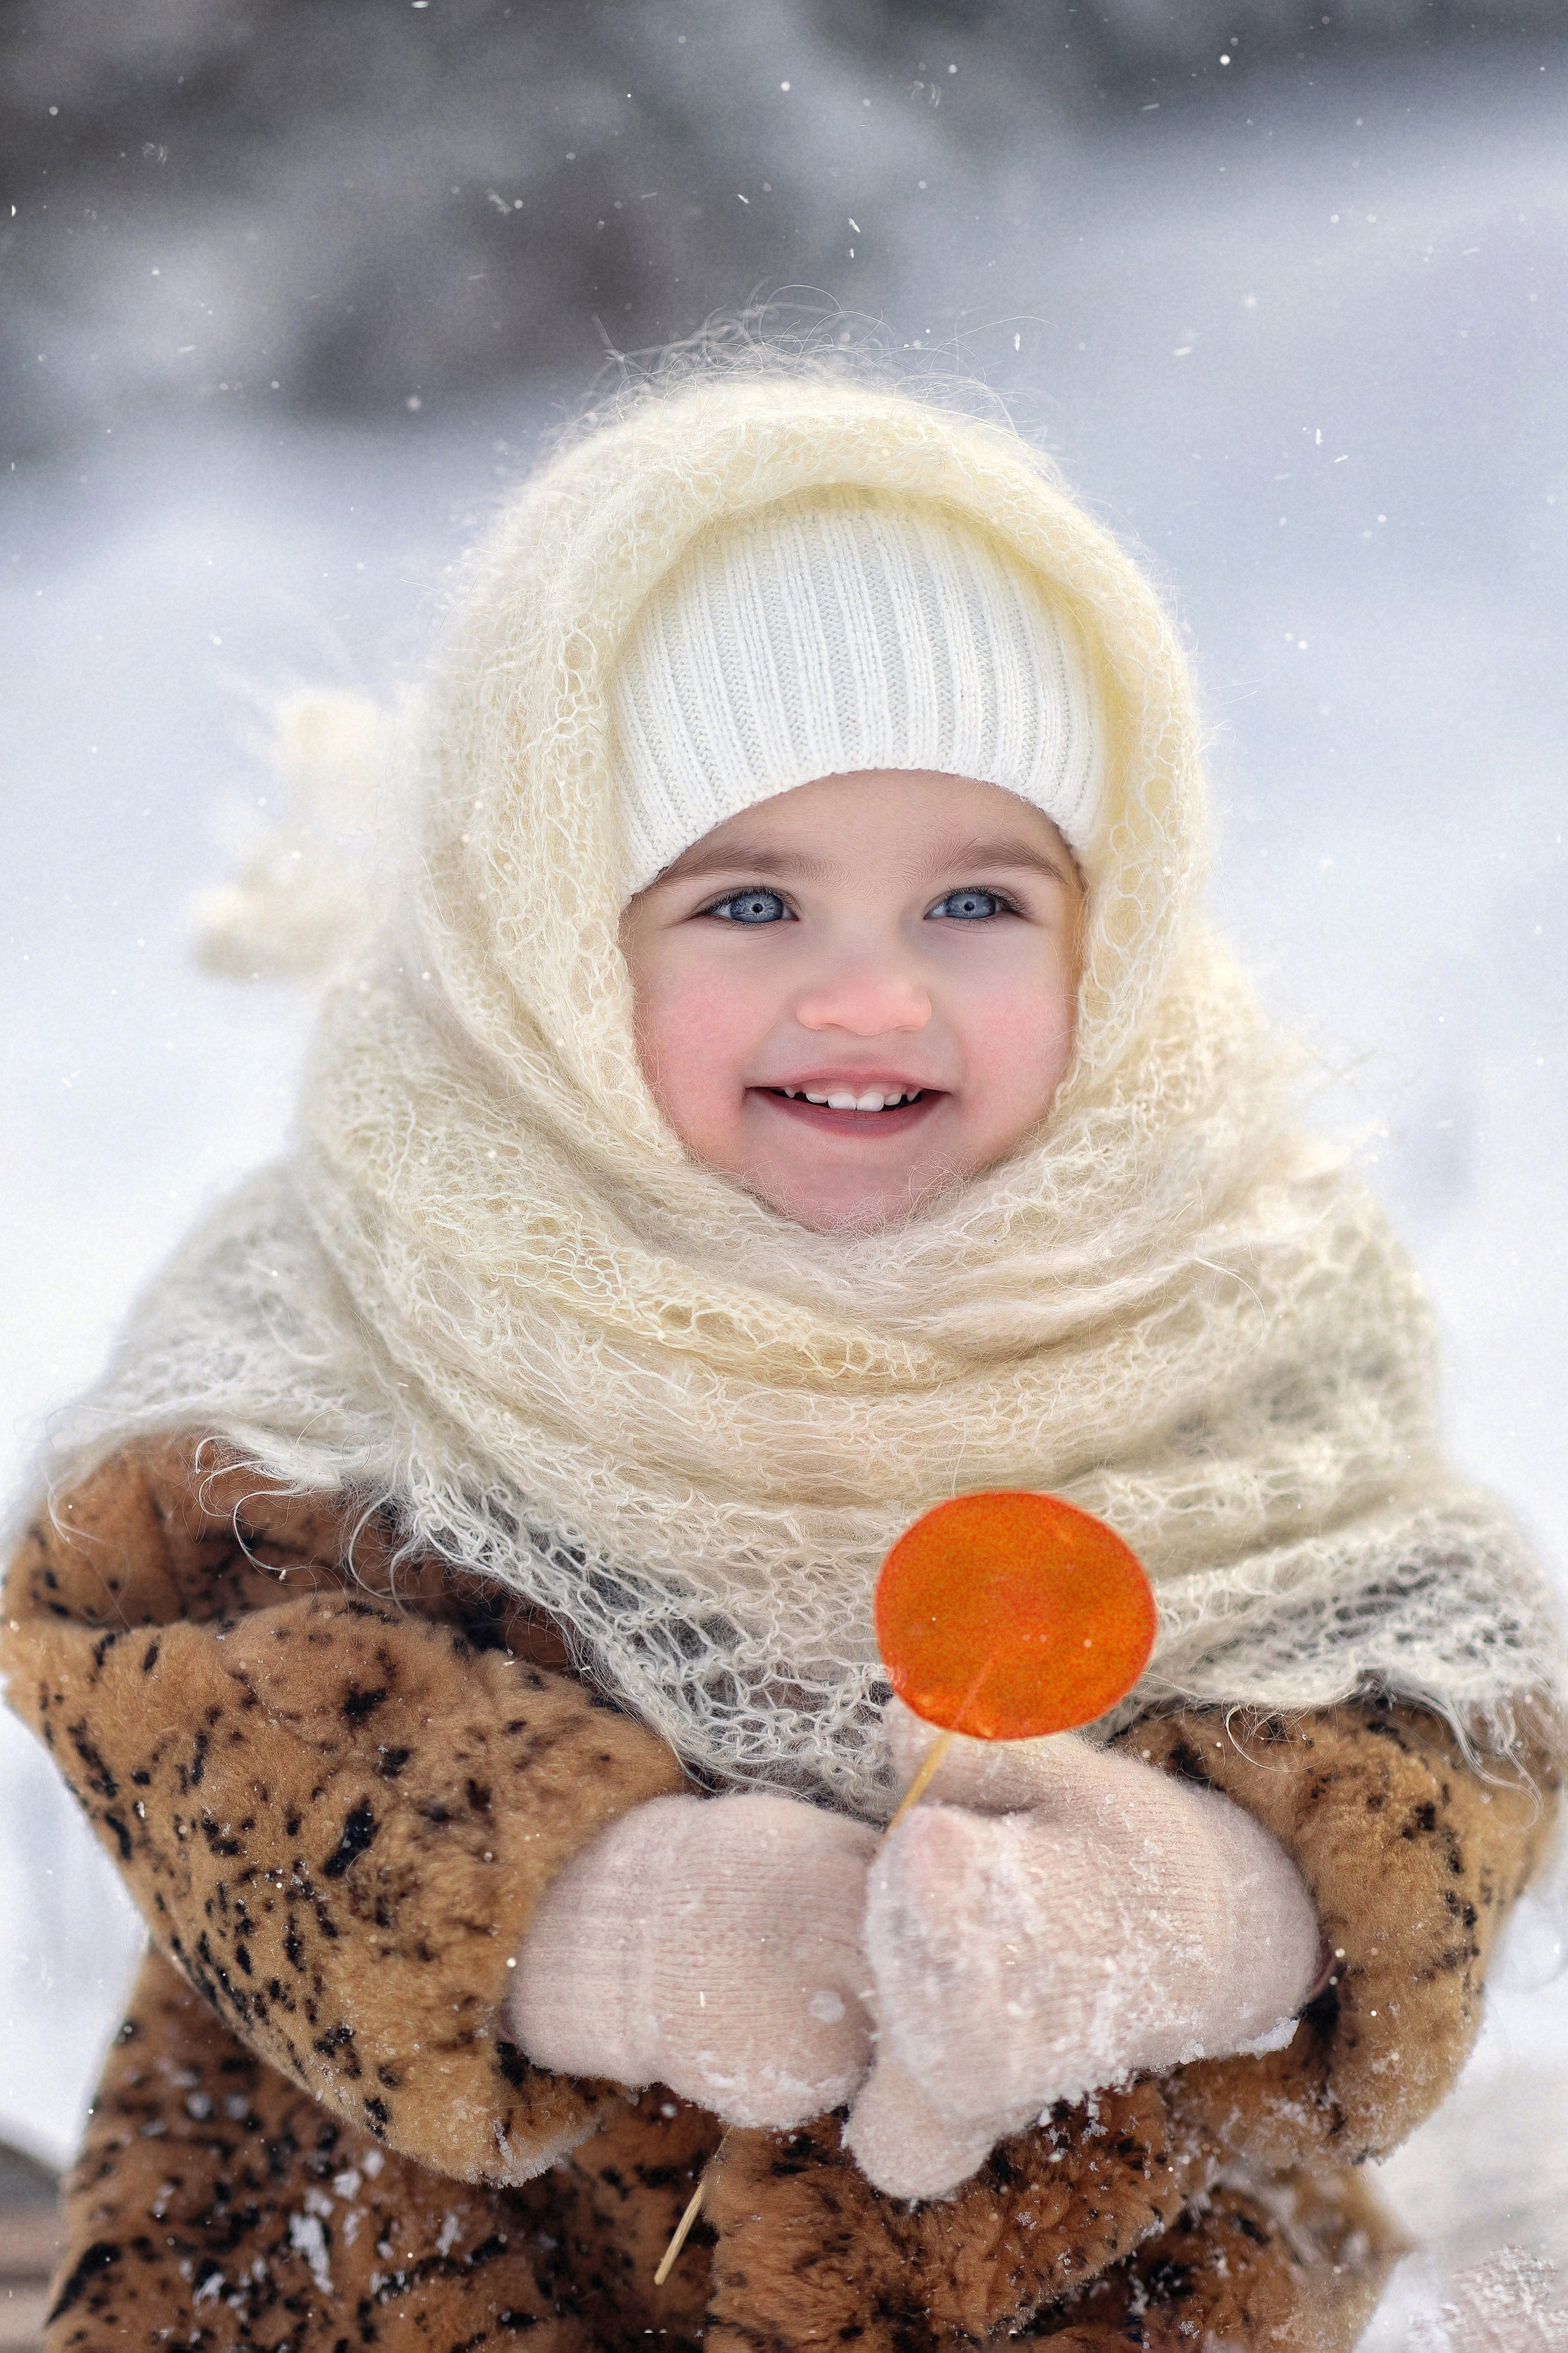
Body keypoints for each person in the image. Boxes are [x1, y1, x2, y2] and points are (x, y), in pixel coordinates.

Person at [8, 360, 1563, 2353]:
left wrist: (1184, 1912)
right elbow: (184, 1681)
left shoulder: (1229, 1282)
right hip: (416, 2251)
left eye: (976, 900)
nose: (871, 992)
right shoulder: (375, 1284)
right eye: (749, 900)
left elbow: (1439, 1718)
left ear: (1117, 927)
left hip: (1095, 2246)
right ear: (555, 935)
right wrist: (620, 1921)